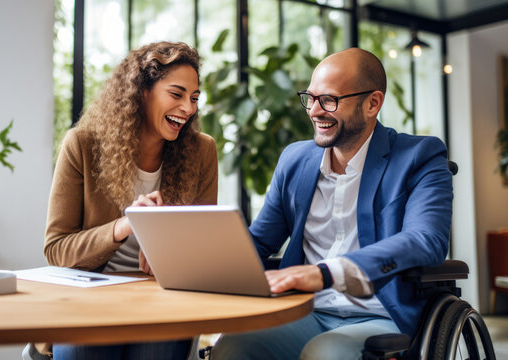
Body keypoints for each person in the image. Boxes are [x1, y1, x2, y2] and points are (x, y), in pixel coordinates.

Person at [212, 47, 452, 359]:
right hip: (304, 311)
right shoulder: (294, 159)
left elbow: (426, 240)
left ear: (372, 103)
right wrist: (196, 263)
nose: (313, 110)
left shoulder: (419, 157)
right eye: (310, 98)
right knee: (233, 347)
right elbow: (258, 241)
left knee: (325, 352)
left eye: (329, 100)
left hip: (380, 315)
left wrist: (325, 273)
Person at [43, 41, 218, 360]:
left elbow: (204, 249)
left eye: (194, 98)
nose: (188, 108)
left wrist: (169, 252)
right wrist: (124, 226)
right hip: (91, 297)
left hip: (160, 298)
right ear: (141, 92)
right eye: (176, 94)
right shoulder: (82, 145)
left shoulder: (201, 151)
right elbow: (57, 249)